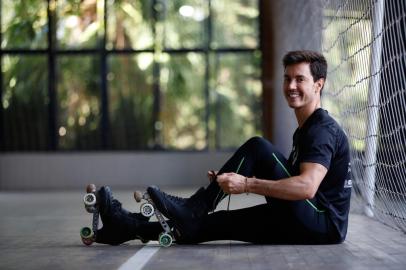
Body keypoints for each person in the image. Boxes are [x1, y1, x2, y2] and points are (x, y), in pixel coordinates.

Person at [94, 50, 352, 245]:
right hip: (312, 222)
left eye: (300, 79)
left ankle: (194, 207)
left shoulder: (321, 129)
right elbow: (290, 179)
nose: (291, 86)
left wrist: (247, 184)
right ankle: (127, 227)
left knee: (258, 147)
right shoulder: (306, 129)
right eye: (287, 79)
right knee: (214, 224)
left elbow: (306, 187)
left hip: (321, 223)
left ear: (319, 84)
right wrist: (233, 179)